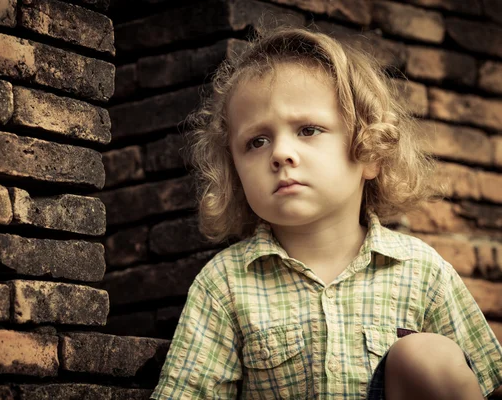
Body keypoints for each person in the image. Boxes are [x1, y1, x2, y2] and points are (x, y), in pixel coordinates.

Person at [150, 26, 502, 400]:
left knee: (426, 355)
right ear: (234, 171)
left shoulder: (421, 271)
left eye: (308, 129)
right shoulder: (225, 285)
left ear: (369, 152)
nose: (280, 153)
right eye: (257, 141)